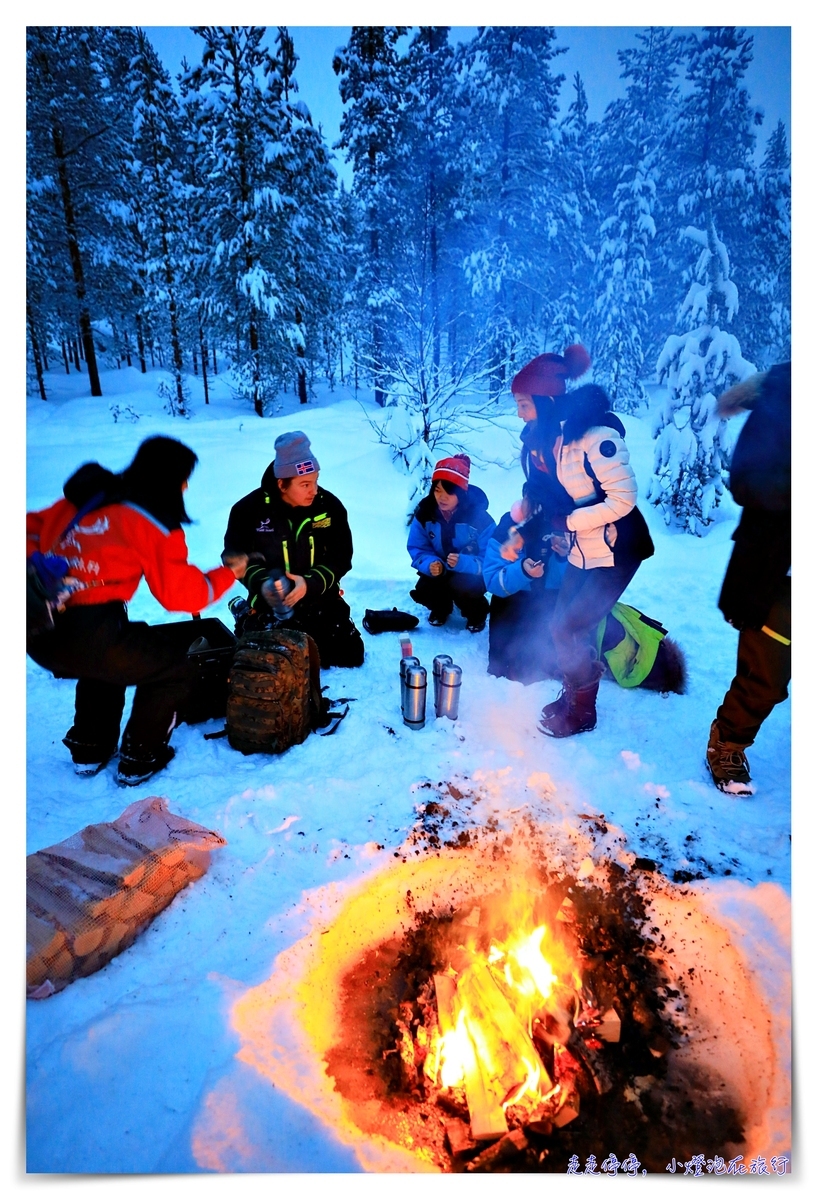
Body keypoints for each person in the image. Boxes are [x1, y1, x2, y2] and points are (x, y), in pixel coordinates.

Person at [26, 437, 246, 785]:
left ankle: (89, 748)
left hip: (40, 630)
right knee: (176, 667)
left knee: (108, 658)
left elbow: (28, 531)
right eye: (183, 477)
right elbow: (181, 596)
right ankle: (140, 757)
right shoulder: (149, 521)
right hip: (91, 631)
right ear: (166, 478)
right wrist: (230, 573)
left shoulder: (80, 503)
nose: (186, 485)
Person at [511, 349, 655, 737]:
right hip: (583, 548)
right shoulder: (550, 444)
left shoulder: (596, 438)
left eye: (523, 404)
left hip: (617, 551)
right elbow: (554, 496)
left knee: (567, 628)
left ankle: (583, 712)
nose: (520, 413)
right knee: (562, 625)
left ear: (544, 400)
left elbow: (623, 499)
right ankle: (575, 693)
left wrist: (570, 521)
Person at [483, 503, 685, 693]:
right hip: (514, 604)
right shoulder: (509, 529)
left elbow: (587, 583)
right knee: (510, 666)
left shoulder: (571, 525)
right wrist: (522, 571)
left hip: (553, 606)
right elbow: (493, 580)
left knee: (556, 655)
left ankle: (653, 665)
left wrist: (566, 557)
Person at [706, 363, 791, 795]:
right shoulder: (786, 402)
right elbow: (747, 480)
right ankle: (729, 741)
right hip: (780, 569)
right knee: (768, 673)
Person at [222, 431, 364, 667]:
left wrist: (310, 583)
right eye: (305, 484)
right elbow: (235, 558)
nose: (314, 490)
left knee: (350, 655)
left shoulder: (329, 507)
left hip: (319, 599)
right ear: (282, 484)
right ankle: (246, 613)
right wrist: (263, 584)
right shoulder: (248, 511)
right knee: (267, 663)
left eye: (316, 481)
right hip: (271, 605)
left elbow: (341, 556)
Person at [407, 455, 496, 632]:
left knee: (465, 586)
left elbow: (491, 558)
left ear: (461, 493)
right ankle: (441, 608)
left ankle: (477, 612)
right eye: (438, 490)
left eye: (449, 492)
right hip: (440, 571)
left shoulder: (481, 519)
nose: (442, 497)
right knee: (425, 588)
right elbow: (417, 548)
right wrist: (431, 563)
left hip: (470, 574)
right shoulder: (425, 514)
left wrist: (463, 563)